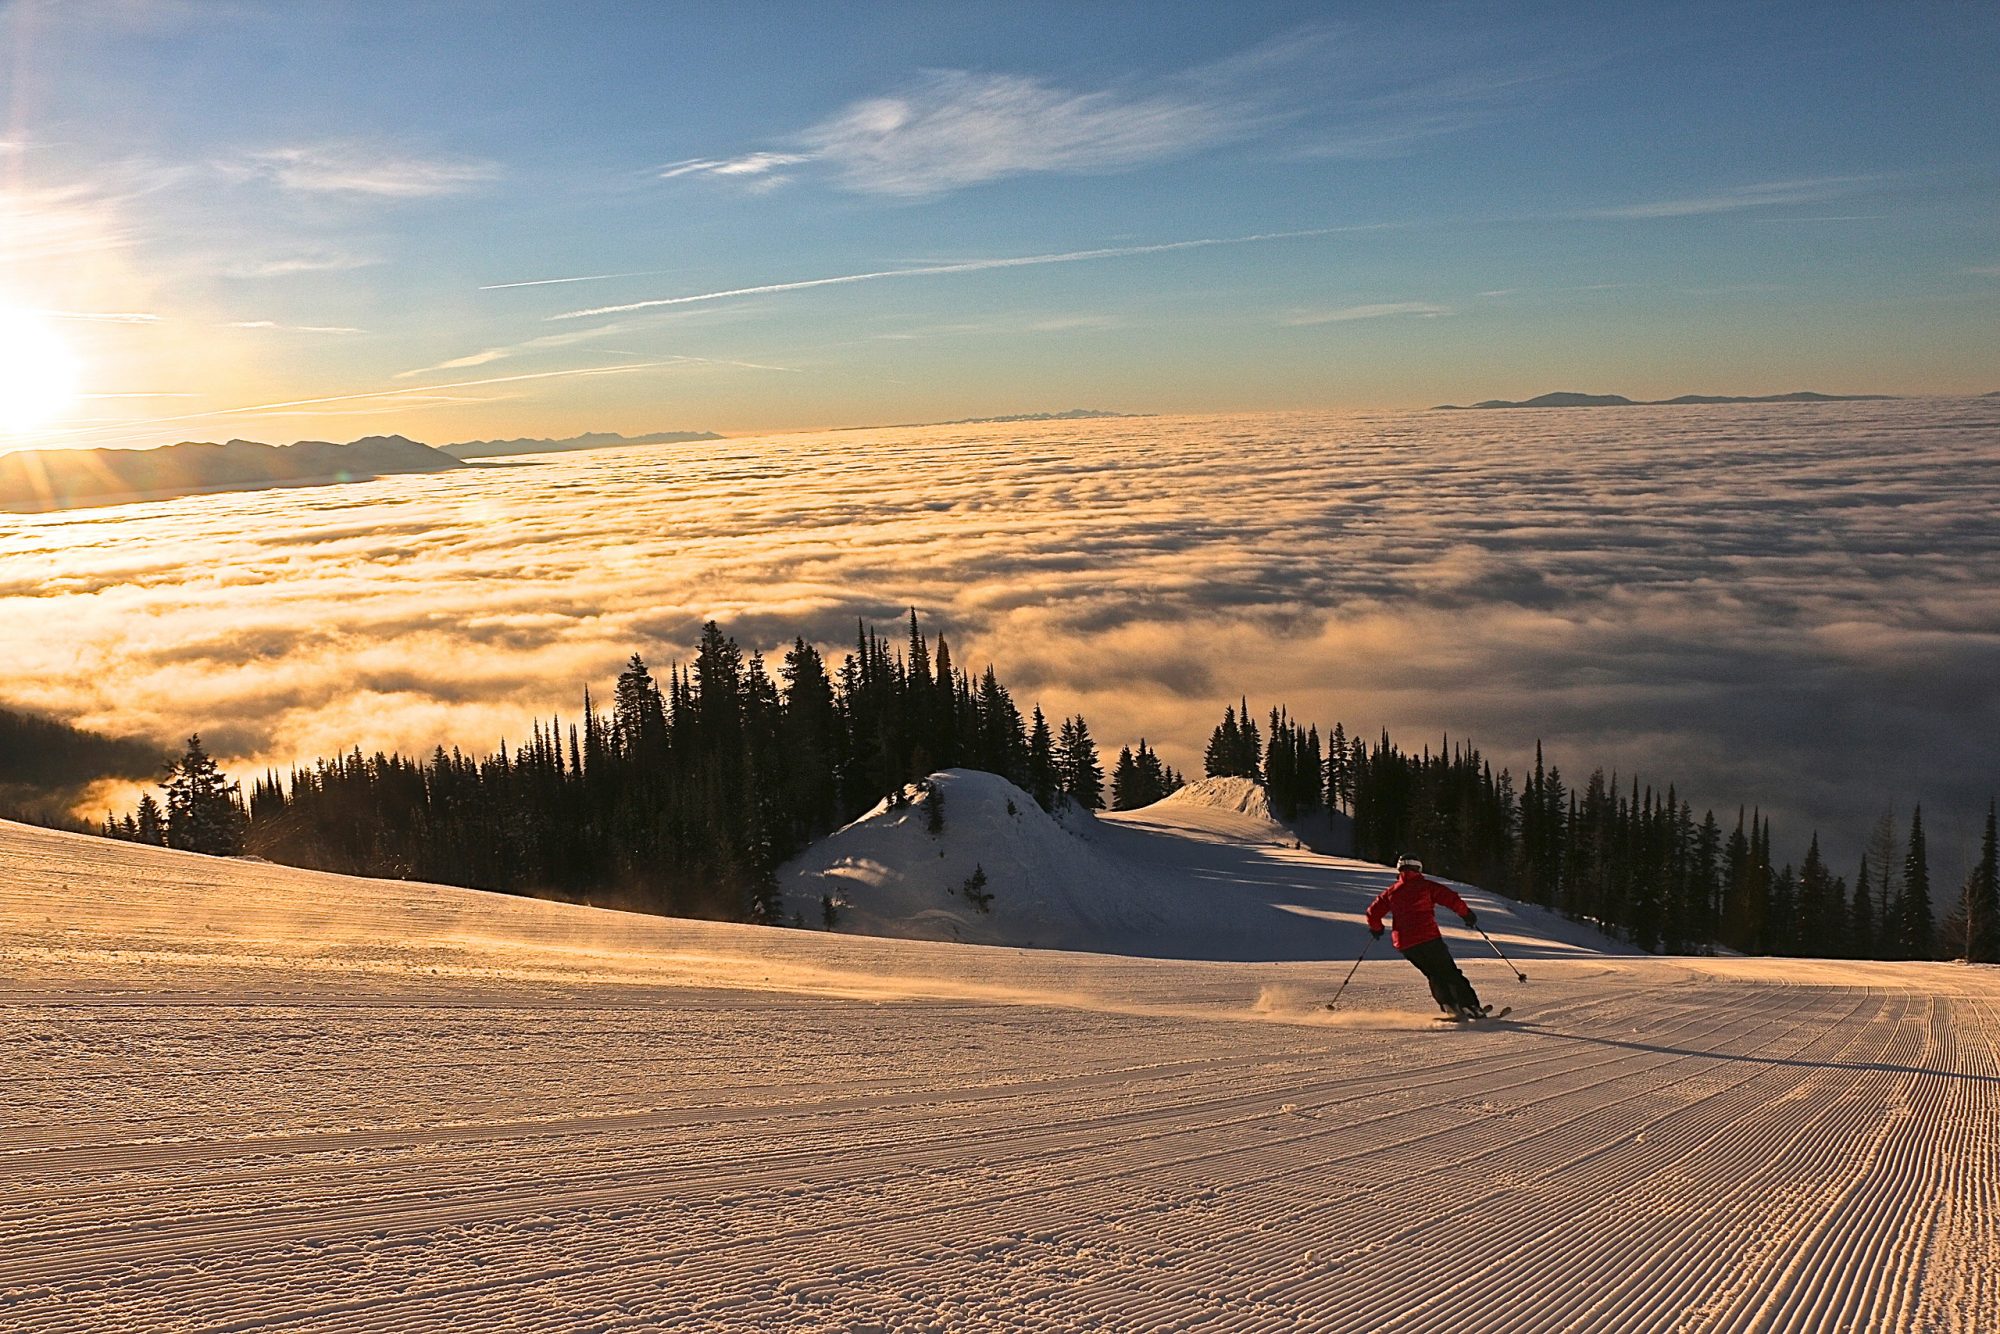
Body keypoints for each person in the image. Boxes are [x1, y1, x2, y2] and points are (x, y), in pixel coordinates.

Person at [1366, 856, 1486, 1018]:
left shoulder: (1392, 892)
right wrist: (1467, 915)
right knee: (1449, 971)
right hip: (1428, 938)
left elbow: (1373, 913)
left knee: (1433, 973)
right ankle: (1469, 1005)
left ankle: (1449, 1005)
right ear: (1419, 869)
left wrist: (1377, 928)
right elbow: (1451, 898)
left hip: (1406, 944)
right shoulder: (1426, 887)